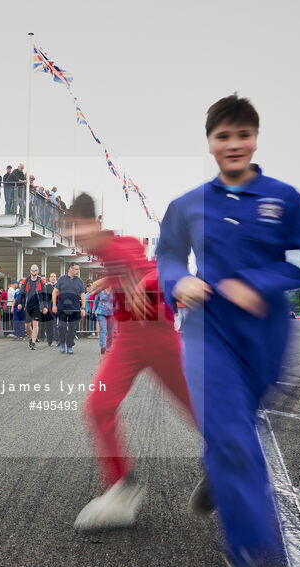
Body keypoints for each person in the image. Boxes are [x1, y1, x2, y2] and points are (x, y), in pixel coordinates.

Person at [156, 94, 300, 567]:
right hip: (208, 331)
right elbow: (166, 255)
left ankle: (217, 469)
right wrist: (179, 280)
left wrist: (261, 281)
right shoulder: (187, 203)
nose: (233, 145)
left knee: (236, 429)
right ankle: (246, 565)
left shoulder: (285, 197)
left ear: (256, 138)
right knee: (233, 435)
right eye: (222, 137)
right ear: (209, 143)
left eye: (242, 135)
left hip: (266, 332)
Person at [66, 194, 197, 532]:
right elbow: (126, 266)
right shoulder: (105, 250)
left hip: (156, 334)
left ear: (95, 223)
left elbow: (154, 268)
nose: (75, 237)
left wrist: (145, 283)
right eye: (70, 231)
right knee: (98, 406)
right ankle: (122, 487)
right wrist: (109, 281)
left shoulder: (120, 247)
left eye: (79, 228)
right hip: (128, 337)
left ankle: (232, 457)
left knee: (196, 407)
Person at [52, 263, 86, 354]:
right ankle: (62, 342)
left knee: (73, 328)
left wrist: (83, 308)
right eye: (76, 269)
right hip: (62, 308)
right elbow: (54, 292)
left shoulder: (79, 281)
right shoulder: (61, 279)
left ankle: (70, 345)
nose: (77, 271)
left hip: (75, 309)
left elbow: (82, 294)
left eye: (78, 269)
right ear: (70, 269)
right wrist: (54, 305)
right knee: (61, 326)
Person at [17, 264, 49, 350]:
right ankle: (31, 338)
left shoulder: (41, 281)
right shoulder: (26, 280)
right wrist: (19, 303)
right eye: (32, 270)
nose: (34, 271)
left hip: (37, 306)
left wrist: (45, 306)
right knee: (27, 325)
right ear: (30, 271)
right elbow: (21, 293)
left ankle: (34, 342)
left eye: (35, 270)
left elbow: (44, 294)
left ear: (38, 271)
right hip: (28, 305)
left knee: (35, 324)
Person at [91, 284, 116, 354]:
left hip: (111, 313)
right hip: (101, 312)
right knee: (103, 330)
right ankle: (103, 347)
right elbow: (96, 300)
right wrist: (93, 310)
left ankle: (109, 346)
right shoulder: (100, 289)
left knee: (110, 331)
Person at [40, 273, 58, 346]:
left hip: (57, 307)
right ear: (49, 278)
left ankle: (58, 340)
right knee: (48, 325)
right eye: (51, 276)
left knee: (56, 324)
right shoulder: (46, 286)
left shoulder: (58, 286)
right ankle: (49, 341)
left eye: (54, 276)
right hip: (48, 307)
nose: (53, 278)